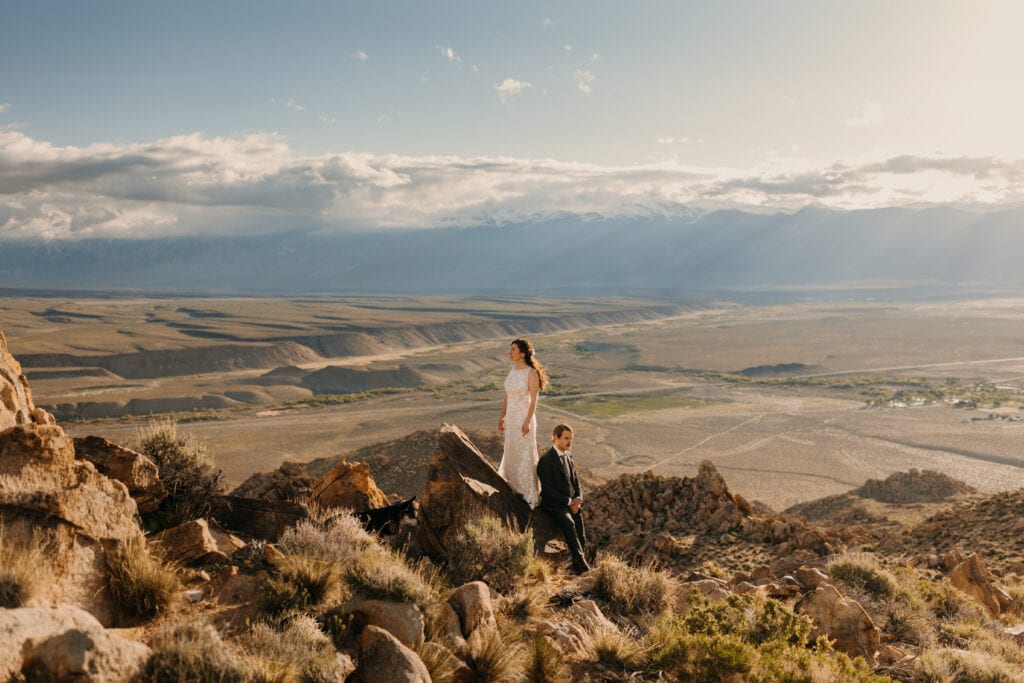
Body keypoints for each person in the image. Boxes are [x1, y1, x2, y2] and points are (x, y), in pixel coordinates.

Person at [497, 338, 546, 508]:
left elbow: (534, 401)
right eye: (510, 349)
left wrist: (527, 422)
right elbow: (507, 396)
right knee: (511, 450)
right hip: (511, 419)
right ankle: (512, 487)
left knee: (525, 453)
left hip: (524, 419)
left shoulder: (530, 373)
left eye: (513, 350)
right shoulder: (513, 371)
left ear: (523, 353)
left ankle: (528, 493)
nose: (510, 353)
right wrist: (502, 416)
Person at [537, 423, 591, 575]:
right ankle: (583, 566)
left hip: (571, 503)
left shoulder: (568, 455)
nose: (569, 442)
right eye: (566, 438)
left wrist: (578, 497)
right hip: (554, 505)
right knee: (569, 523)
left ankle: (577, 565)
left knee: (581, 533)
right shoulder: (546, 460)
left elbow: (575, 479)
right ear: (555, 438)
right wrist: (568, 501)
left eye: (571, 439)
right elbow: (547, 490)